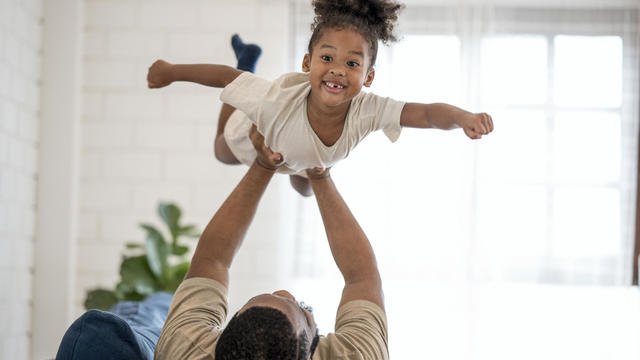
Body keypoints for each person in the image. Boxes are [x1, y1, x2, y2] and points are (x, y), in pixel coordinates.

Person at [147, 0, 494, 196]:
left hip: (303, 156)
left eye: (352, 63)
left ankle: (302, 165)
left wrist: (463, 118)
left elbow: (427, 114)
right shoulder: (275, 99)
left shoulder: (369, 109)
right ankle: (248, 58)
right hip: (264, 130)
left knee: (307, 190)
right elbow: (226, 78)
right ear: (307, 63)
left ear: (368, 77)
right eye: (327, 58)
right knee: (221, 151)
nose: (338, 70)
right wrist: (172, 71)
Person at [154, 126, 389, 359]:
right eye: (304, 311)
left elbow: (212, 260)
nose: (285, 291)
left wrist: (264, 165)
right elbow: (362, 277)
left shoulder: (188, 349)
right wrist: (320, 175)